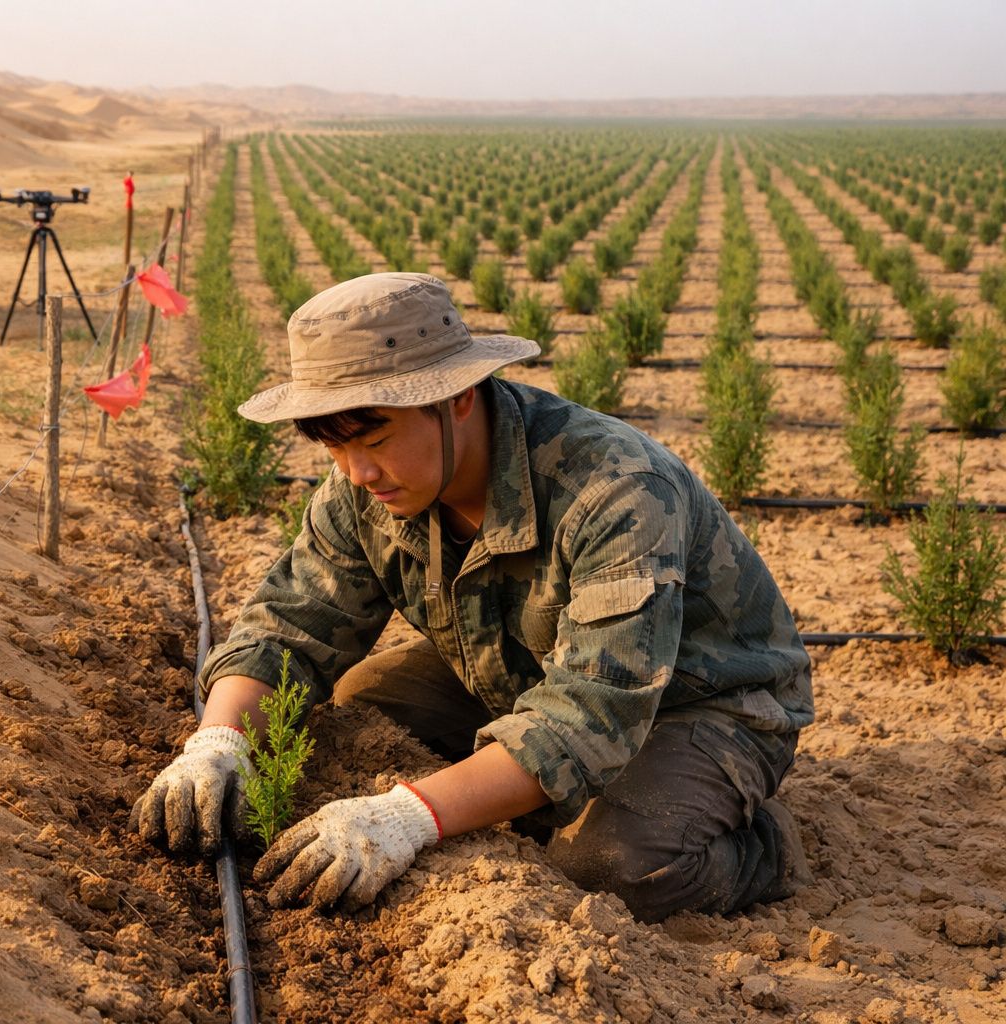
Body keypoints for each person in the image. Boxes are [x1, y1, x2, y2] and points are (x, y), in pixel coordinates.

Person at [134, 272, 814, 923]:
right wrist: (218, 741)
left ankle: (763, 846)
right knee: (360, 708)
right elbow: (291, 624)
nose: (358, 472)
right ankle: (517, 793)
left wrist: (406, 817)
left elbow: (590, 712)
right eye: (335, 448)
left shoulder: (615, 490)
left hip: (702, 701)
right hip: (527, 669)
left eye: (375, 437)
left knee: (615, 866)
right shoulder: (364, 487)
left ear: (457, 396)